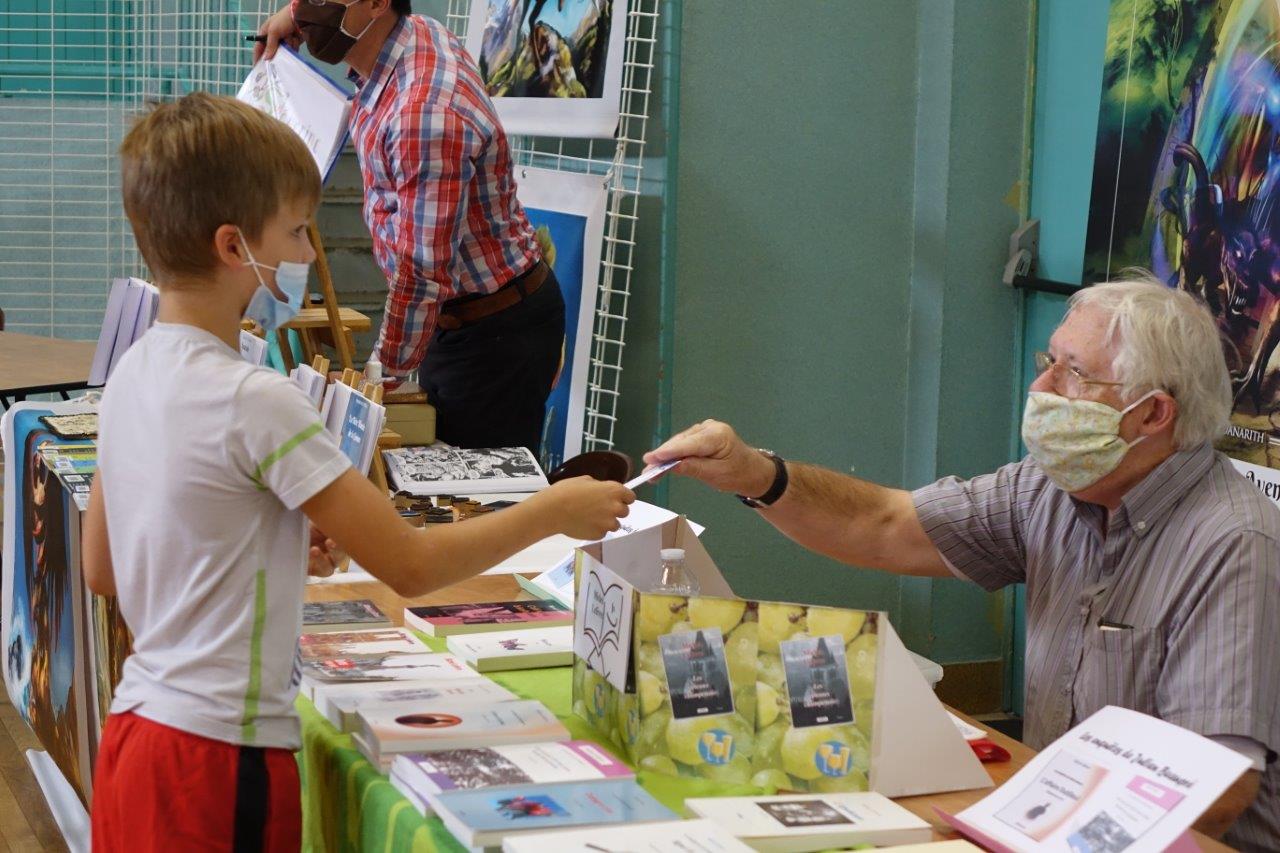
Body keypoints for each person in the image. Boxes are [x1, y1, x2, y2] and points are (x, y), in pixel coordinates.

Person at [83, 92, 633, 851]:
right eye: (296, 231)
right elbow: (410, 564)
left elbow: (105, 566)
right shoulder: (257, 398)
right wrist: (553, 509)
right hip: (218, 760)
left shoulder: (132, 372)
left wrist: (256, 547)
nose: (310, 254)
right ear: (233, 245)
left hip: (135, 740)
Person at [645, 278, 1280, 851]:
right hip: (1046, 821)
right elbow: (886, 525)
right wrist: (754, 474)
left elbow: (1214, 792)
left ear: (1153, 414)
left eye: (1075, 373)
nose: (1041, 388)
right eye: (1048, 361)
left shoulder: (1234, 544)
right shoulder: (1050, 490)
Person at [255, 0, 562, 454]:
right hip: (459, 315)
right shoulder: (408, 38)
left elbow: (421, 272)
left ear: (377, 4)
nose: (307, 8)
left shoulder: (422, 110)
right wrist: (294, 15)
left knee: (480, 504)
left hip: (493, 331)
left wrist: (376, 380)